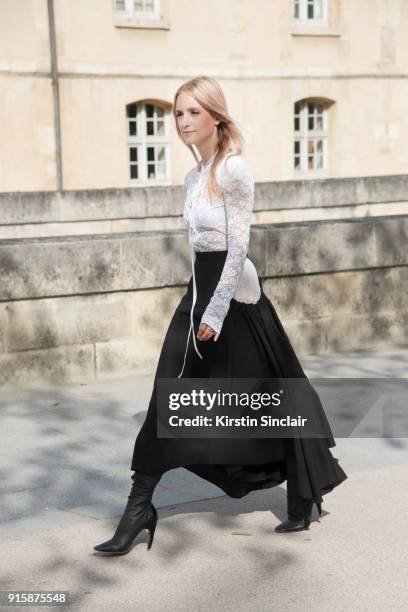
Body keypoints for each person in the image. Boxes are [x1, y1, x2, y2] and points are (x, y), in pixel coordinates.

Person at [93, 76, 347, 556]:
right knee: (168, 401)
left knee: (273, 400)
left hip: (234, 299)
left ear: (216, 117)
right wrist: (198, 303)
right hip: (199, 295)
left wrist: (215, 309)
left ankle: (301, 494)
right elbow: (198, 253)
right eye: (178, 113)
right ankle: (138, 509)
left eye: (192, 112)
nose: (183, 122)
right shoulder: (192, 177)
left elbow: (238, 248)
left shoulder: (234, 171)